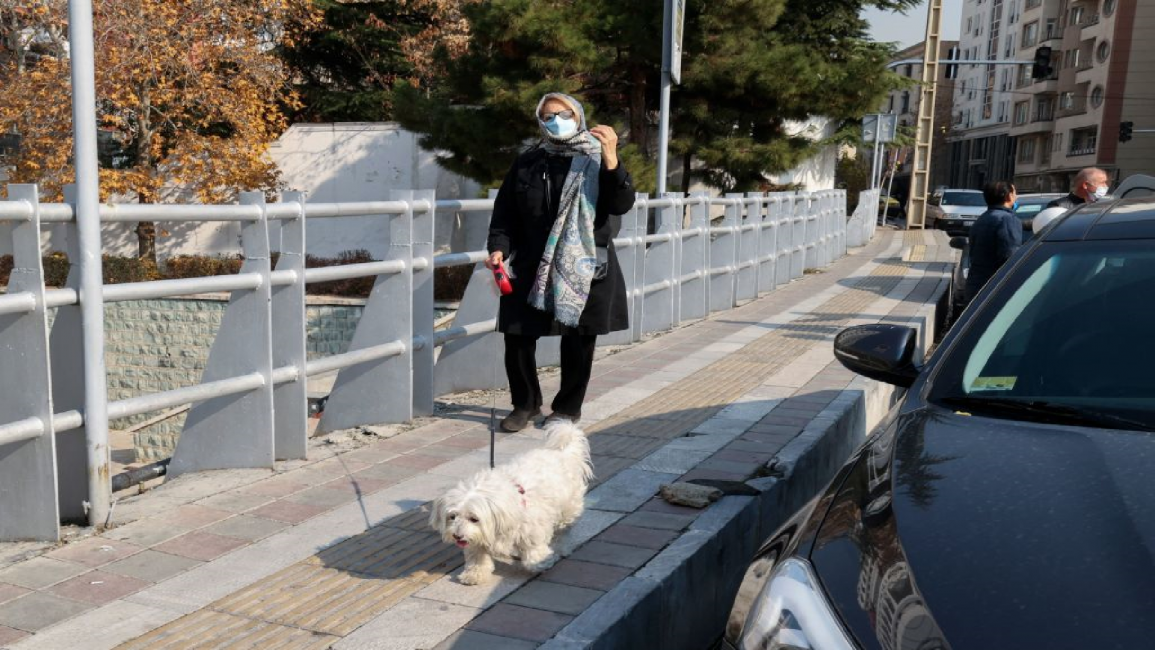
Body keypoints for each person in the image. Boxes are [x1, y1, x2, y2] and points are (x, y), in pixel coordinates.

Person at [485, 93, 635, 432]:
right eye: (548, 116)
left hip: (584, 262)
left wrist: (611, 156)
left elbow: (621, 203)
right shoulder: (528, 161)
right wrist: (498, 248)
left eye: (563, 114)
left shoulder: (598, 158)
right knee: (517, 334)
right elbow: (505, 214)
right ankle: (525, 404)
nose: (556, 121)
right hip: (531, 262)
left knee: (579, 338)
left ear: (578, 115)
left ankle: (567, 409)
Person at [965, 181, 1020, 304]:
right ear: (1009, 196)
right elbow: (1009, 256)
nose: (1016, 196)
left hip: (975, 284)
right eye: (1015, 193)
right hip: (995, 288)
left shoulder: (982, 218)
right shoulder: (1007, 219)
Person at [1032, 167, 1110, 232]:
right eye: (1102, 183)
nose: (1105, 186)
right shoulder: (1058, 206)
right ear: (1085, 185)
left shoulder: (1101, 205)